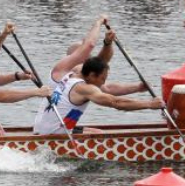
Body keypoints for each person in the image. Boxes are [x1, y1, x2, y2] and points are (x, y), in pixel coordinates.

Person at [33, 17, 163, 135]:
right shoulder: (83, 87)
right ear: (91, 75)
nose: (102, 83)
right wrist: (149, 104)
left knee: (98, 132)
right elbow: (115, 102)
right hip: (51, 135)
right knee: (101, 136)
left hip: (45, 128)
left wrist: (138, 87)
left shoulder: (75, 73)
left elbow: (107, 86)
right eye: (102, 79)